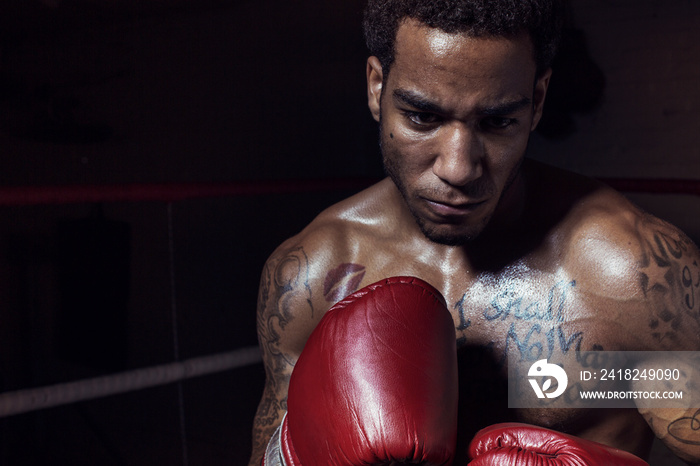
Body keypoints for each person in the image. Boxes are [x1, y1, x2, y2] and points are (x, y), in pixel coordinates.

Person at [248, 0, 700, 464]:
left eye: (497, 122)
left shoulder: (633, 274)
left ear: (538, 101)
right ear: (376, 86)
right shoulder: (310, 276)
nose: (459, 169)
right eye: (423, 117)